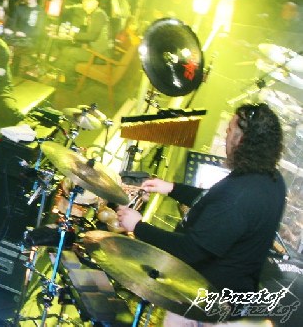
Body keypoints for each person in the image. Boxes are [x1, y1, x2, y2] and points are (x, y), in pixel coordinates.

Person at [117, 103, 287, 325]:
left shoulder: (239, 195)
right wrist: (171, 188)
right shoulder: (270, 179)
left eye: (229, 130)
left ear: (242, 140)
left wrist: (138, 226)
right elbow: (214, 201)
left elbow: (190, 251)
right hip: (229, 297)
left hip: (205, 306)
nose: (225, 134)